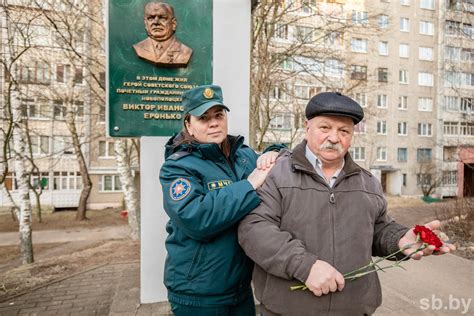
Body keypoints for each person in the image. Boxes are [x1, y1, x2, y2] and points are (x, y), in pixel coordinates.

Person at [238, 92, 456, 315]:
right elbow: (254, 229)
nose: (334, 138)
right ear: (307, 127)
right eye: (325, 128)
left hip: (353, 308)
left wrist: (401, 239)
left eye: (344, 131)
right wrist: (305, 266)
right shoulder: (275, 174)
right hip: (287, 309)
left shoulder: (368, 182)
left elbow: (378, 229)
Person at [159, 84, 284, 315]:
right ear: (188, 125)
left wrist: (274, 152)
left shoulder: (242, 156)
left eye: (219, 115)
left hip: (241, 288)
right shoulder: (177, 166)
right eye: (203, 118)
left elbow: (276, 158)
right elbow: (197, 217)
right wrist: (249, 185)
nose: (214, 122)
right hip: (199, 294)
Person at [133, 1, 192, 67]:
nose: (156, 22)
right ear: (146, 24)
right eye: (151, 18)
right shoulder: (139, 47)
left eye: (162, 18)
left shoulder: (185, 51)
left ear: (173, 24)